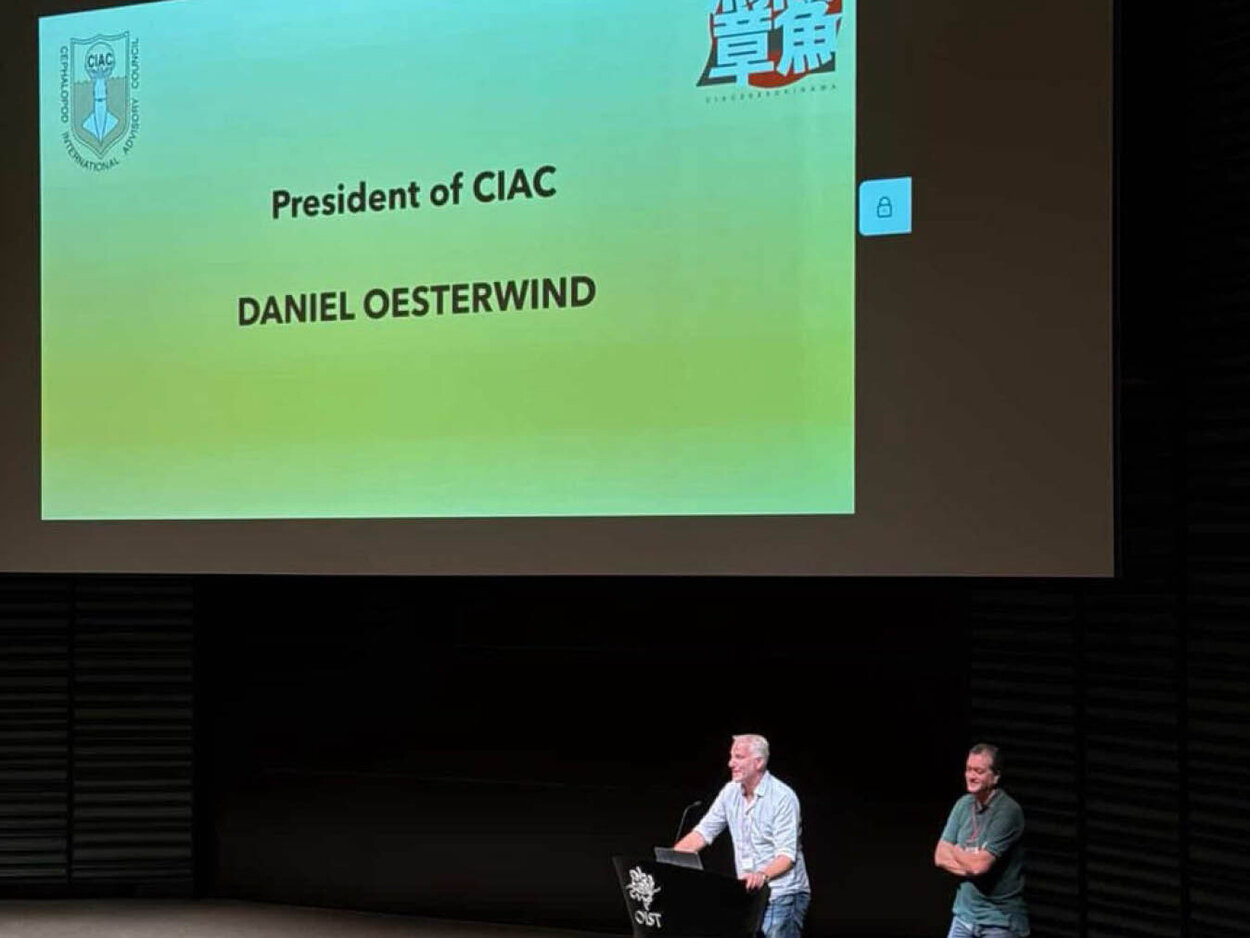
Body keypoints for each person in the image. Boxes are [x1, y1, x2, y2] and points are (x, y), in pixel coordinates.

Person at [673, 734, 810, 938]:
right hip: (749, 893)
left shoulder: (783, 798)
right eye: (731, 757)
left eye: (738, 757)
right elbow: (703, 833)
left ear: (759, 762)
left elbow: (787, 856)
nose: (730, 763)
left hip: (782, 895)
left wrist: (762, 875)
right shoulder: (730, 792)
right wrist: (671, 858)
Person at [933, 744, 1029, 938]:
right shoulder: (963, 805)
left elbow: (979, 867)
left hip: (999, 921)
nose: (971, 776)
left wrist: (957, 851)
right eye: (968, 769)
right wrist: (968, 862)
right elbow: (939, 856)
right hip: (964, 915)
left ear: (995, 776)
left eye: (979, 771)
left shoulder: (1008, 811)